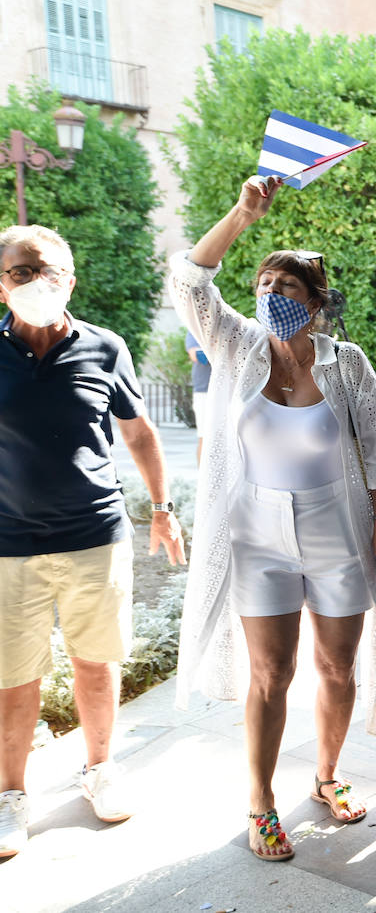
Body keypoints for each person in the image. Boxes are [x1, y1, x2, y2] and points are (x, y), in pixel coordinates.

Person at [171, 175, 376, 862]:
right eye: (264, 286)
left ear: (316, 302)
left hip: (337, 528)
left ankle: (328, 777)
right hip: (257, 536)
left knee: (337, 667)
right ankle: (261, 805)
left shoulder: (347, 362)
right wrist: (242, 213)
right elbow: (189, 282)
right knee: (270, 672)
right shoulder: (235, 346)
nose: (271, 296)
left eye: (287, 288)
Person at [0, 224, 186, 859]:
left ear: (69, 279)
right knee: (12, 677)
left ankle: (101, 769)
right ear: (0, 283)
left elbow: (138, 434)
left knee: (97, 663)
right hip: (8, 545)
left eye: (44, 269)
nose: (32, 281)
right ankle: (10, 796)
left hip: (93, 536)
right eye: (18, 271)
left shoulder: (105, 347)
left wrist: (162, 509)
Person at [186, 329, 212, 463]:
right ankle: (203, 482)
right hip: (204, 392)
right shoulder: (195, 330)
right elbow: (197, 355)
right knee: (205, 437)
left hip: (227, 391)